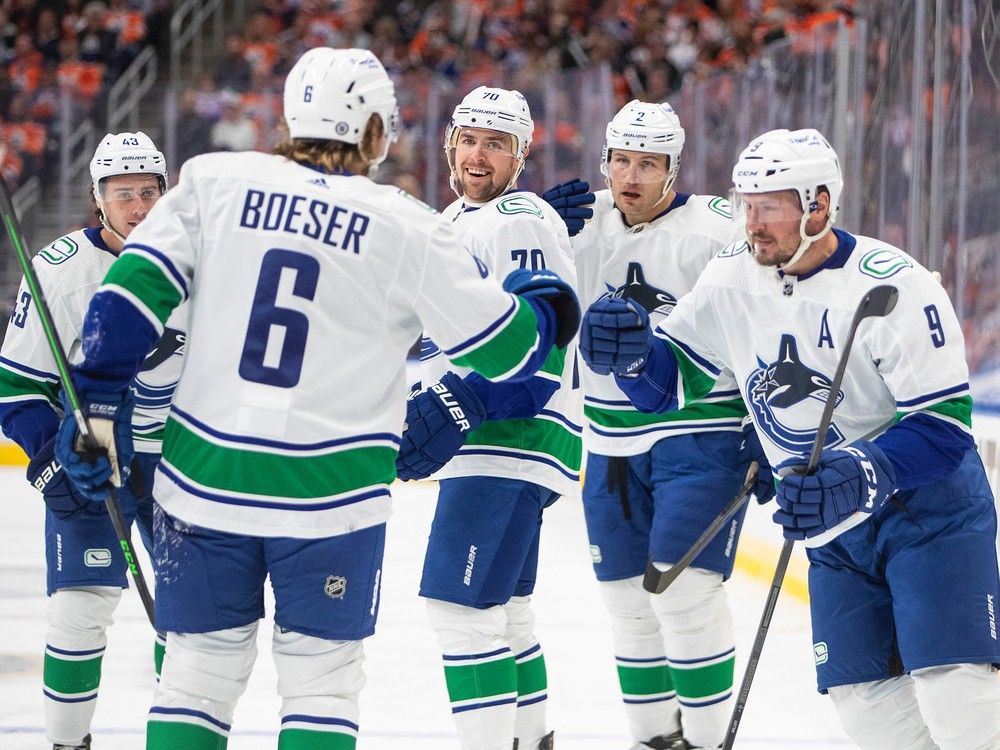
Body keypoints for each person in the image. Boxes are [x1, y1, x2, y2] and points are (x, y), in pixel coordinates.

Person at [52, 48, 579, 750]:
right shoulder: (407, 222)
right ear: (374, 132)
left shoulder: (212, 182)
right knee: (321, 687)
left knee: (195, 679)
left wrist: (92, 403)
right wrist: (549, 303)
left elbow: (129, 293)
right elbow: (510, 353)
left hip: (204, 477)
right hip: (334, 491)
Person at [579, 127, 1000, 750]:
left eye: (769, 206)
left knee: (955, 691)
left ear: (819, 205)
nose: (752, 222)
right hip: (831, 531)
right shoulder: (730, 280)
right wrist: (631, 356)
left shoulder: (893, 286)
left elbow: (944, 433)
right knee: (867, 708)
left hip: (928, 517)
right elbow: (669, 386)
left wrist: (856, 473)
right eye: (746, 204)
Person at [557, 100, 770, 750]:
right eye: (621, 159)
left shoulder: (717, 229)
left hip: (702, 433)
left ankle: (706, 742)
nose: (631, 174)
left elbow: (768, 308)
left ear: (673, 168)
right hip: (610, 441)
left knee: (683, 595)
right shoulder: (578, 222)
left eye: (648, 162)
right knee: (627, 603)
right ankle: (653, 739)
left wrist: (772, 420)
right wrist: (529, 223)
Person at [396, 85, 580, 750]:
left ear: (520, 155)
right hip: (504, 440)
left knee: (458, 610)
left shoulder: (517, 219)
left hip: (508, 436)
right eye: (469, 138)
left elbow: (545, 344)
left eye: (496, 144)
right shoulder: (456, 221)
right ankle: (530, 740)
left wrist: (462, 400)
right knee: (506, 613)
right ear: (449, 144)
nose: (478, 154)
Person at [0, 131, 177, 750]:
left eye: (149, 192)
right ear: (97, 199)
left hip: (186, 462)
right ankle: (67, 745)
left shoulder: (204, 261)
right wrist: (57, 458)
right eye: (122, 193)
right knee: (79, 612)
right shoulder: (61, 271)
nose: (139, 207)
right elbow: (15, 389)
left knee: (190, 626)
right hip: (96, 455)